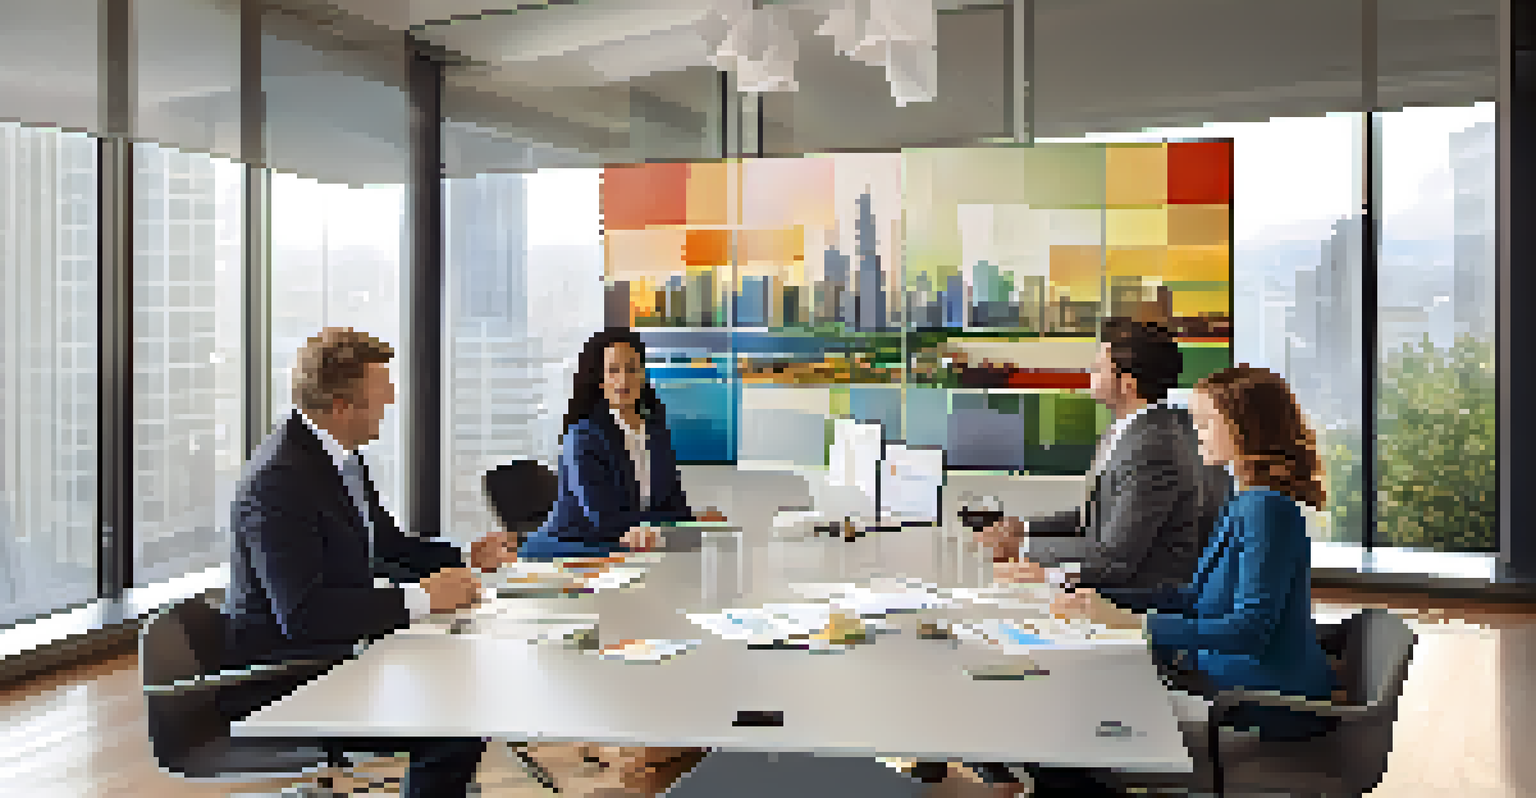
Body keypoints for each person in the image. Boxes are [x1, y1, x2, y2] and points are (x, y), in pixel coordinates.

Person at [1003, 364, 1340, 795]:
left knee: (1062, 734)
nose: (1194, 431)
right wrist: (1096, 598)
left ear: (1244, 429)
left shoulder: (1265, 512)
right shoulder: (1246, 502)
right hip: (1223, 685)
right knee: (1070, 715)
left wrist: (1132, 623)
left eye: (1205, 422)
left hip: (1256, 703)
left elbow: (1249, 632)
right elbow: (1191, 598)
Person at [222, 327, 515, 798]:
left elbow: (388, 548)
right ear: (341, 405)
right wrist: (421, 597)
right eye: (381, 395)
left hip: (348, 652)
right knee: (454, 725)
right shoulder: (278, 480)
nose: (393, 399)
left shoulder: (342, 460)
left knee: (466, 690)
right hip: (291, 678)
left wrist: (465, 557)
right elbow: (301, 615)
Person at [980, 318, 1231, 591]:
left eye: (1099, 368)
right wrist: (1024, 528)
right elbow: (1102, 515)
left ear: (1128, 384)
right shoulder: (1137, 431)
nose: (1090, 372)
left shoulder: (1154, 447)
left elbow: (1116, 557)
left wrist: (1023, 549)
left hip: (1139, 604)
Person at [518, 327, 725, 560]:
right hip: (576, 549)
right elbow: (605, 518)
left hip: (629, 547)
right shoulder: (583, 437)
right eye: (613, 370)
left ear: (643, 375)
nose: (624, 379)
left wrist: (692, 522)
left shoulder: (655, 432)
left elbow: (673, 502)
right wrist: (677, 524)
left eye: (631, 369)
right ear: (600, 379)